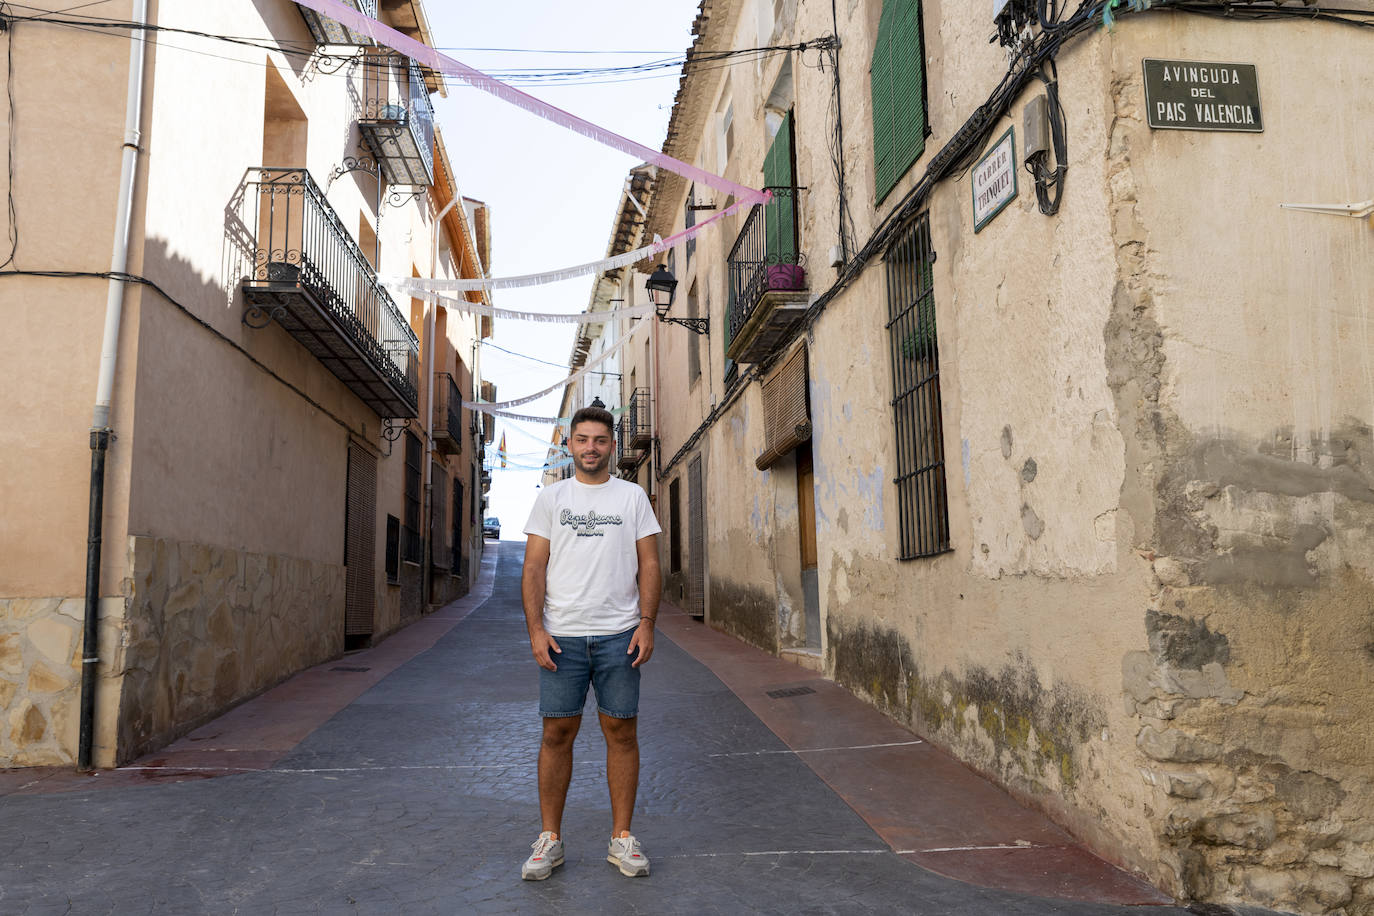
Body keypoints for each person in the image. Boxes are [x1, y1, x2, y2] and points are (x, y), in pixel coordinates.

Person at [519, 405, 662, 881]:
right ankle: (550, 840)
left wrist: (646, 622)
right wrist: (537, 630)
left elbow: (650, 564)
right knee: (556, 734)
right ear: (571, 445)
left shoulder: (632, 497)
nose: (590, 448)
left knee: (621, 733)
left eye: (599, 440)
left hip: (620, 635)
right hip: (562, 638)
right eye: (582, 439)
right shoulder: (551, 498)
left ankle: (622, 838)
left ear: (612, 447)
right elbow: (534, 568)